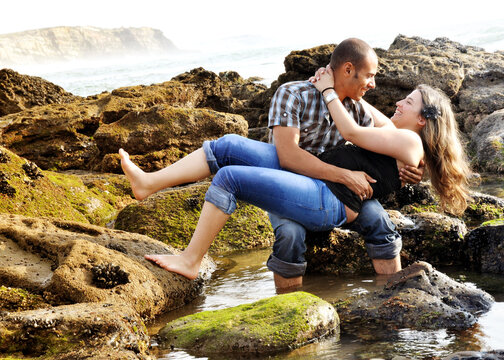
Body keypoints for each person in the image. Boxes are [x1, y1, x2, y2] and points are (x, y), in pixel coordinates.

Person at [120, 38, 426, 290]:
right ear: (347, 69)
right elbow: (289, 158)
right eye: (370, 76)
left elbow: (389, 135)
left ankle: (387, 295)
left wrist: (410, 163)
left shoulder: (355, 112)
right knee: (230, 151)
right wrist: (345, 174)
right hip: (297, 174)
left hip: (325, 187)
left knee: (375, 221)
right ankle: (149, 185)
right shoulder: (293, 94)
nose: (373, 84)